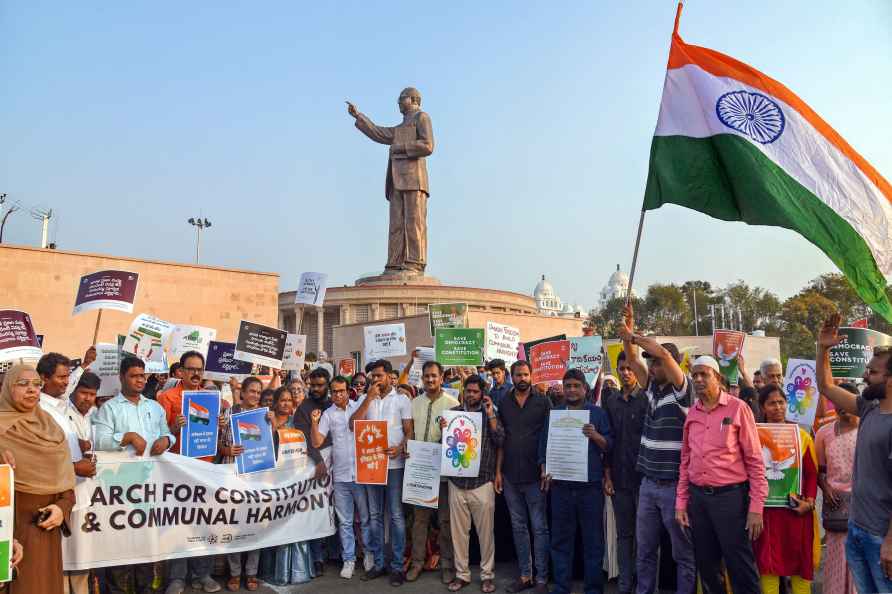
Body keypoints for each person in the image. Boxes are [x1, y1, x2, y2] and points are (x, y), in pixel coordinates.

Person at [618, 303, 695, 594]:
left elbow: (660, 352)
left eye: (658, 362)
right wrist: (629, 331)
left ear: (672, 363)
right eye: (651, 363)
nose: (652, 366)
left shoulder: (683, 390)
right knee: (645, 552)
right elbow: (632, 357)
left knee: (682, 555)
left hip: (675, 487)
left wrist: (633, 334)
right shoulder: (651, 387)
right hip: (648, 485)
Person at [675, 356, 766, 594]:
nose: (698, 379)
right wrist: (681, 503)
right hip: (699, 501)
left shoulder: (738, 409)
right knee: (707, 567)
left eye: (704, 374)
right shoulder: (692, 413)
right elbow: (686, 461)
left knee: (741, 567)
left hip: (731, 500)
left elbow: (755, 461)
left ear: (718, 377)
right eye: (694, 375)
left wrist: (756, 507)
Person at [815, 313, 892, 594]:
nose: (864, 375)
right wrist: (823, 349)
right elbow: (826, 387)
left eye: (872, 372)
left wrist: (890, 542)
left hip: (881, 538)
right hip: (857, 530)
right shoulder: (869, 407)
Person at [92, 356, 175, 594]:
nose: (140, 380)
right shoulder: (109, 408)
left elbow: (168, 434)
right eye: (134, 376)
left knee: (146, 541)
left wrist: (166, 440)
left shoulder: (154, 407)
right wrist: (125, 437)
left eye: (143, 375)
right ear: (122, 377)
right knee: (120, 542)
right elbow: (98, 440)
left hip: (151, 486)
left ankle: (147, 588)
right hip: (119, 487)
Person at [0, 364, 76, 594]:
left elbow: (67, 486)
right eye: (23, 384)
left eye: (36, 385)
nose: (32, 390)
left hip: (47, 532)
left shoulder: (52, 428)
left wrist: (62, 509)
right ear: (6, 389)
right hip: (12, 533)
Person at [539, 369, 613, 594]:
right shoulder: (555, 414)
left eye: (575, 386)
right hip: (560, 487)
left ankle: (593, 589)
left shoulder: (597, 414)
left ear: (585, 388)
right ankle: (561, 587)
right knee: (561, 542)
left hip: (590, 488)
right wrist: (544, 470)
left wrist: (596, 436)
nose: (571, 390)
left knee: (593, 542)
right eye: (567, 385)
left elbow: (610, 446)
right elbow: (544, 447)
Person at [156, 351, 222, 594]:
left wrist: (220, 425)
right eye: (191, 369)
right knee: (179, 524)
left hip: (204, 469)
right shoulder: (167, 398)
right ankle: (176, 578)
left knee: (202, 524)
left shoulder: (210, 398)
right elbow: (161, 435)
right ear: (180, 371)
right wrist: (174, 427)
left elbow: (213, 435)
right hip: (177, 470)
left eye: (199, 369)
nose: (195, 374)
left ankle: (202, 573)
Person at [348, 359, 414, 586]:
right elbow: (352, 425)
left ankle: (396, 566)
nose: (375, 380)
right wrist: (368, 398)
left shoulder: (403, 400)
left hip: (394, 467)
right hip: (371, 466)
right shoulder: (366, 400)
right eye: (372, 377)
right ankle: (378, 563)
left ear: (389, 376)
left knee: (395, 516)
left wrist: (400, 447)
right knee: (374, 516)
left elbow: (409, 432)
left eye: (379, 376)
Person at [438, 374, 503, 593]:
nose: (472, 395)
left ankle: (487, 575)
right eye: (469, 391)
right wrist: (443, 428)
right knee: (459, 535)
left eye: (476, 391)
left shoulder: (491, 414)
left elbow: (500, 440)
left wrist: (491, 415)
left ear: (483, 393)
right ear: (463, 391)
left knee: (486, 534)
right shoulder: (453, 414)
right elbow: (445, 445)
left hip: (482, 482)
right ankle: (462, 574)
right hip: (457, 482)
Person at [753, 384, 819, 594]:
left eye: (781, 402)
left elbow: (811, 473)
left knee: (801, 565)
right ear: (763, 407)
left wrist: (808, 502)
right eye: (772, 403)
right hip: (767, 512)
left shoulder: (802, 436)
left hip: (796, 510)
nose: (777, 407)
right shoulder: (753, 436)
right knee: (768, 564)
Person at [496, 360, 551, 594]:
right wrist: (498, 471)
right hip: (509, 475)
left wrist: (545, 466)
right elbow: (500, 439)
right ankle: (525, 575)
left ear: (531, 376)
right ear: (512, 376)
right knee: (518, 527)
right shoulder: (503, 402)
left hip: (534, 476)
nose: (522, 378)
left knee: (539, 528)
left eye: (526, 374)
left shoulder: (543, 401)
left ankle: (542, 579)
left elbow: (550, 436)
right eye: (518, 375)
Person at [310, 376, 372, 580]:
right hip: (341, 475)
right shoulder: (327, 414)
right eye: (334, 391)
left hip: (363, 473)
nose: (338, 394)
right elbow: (317, 441)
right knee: (345, 521)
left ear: (348, 391)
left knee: (365, 519)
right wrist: (313, 422)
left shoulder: (360, 407)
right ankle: (349, 560)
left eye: (341, 391)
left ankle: (369, 554)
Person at [405, 361, 457, 583]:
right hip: (420, 470)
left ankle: (447, 565)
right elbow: (410, 433)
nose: (430, 380)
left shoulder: (453, 403)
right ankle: (417, 563)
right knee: (420, 521)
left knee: (445, 521)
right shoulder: (414, 402)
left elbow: (458, 439)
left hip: (444, 470)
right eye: (427, 376)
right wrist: (407, 448)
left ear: (442, 377)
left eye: (434, 376)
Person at [215, 376, 266, 591]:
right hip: (230, 476)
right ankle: (235, 573)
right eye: (251, 391)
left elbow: (269, 446)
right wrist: (226, 449)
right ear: (242, 392)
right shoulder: (227, 414)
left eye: (258, 392)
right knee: (233, 524)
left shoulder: (264, 416)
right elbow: (214, 442)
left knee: (254, 525)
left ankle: (251, 573)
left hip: (254, 478)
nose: (255, 395)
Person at [602, 350, 647, 594]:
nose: (626, 373)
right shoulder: (611, 402)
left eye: (630, 368)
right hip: (619, 479)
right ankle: (624, 584)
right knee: (624, 535)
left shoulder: (648, 399)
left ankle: (644, 584)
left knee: (646, 538)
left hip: (645, 480)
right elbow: (608, 444)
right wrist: (607, 476)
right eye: (622, 369)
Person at [264, 386, 314, 585]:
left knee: (294, 523)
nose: (285, 403)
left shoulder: (298, 422)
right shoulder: (266, 420)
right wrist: (273, 426)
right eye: (281, 400)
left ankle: (297, 571)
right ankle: (273, 571)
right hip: (271, 480)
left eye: (288, 400)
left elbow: (305, 447)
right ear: (275, 402)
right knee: (274, 524)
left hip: (294, 480)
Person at [814, 382, 859, 594]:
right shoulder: (823, 433)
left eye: (846, 401)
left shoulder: (869, 430)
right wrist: (825, 488)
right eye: (837, 401)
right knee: (836, 558)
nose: (841, 406)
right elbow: (819, 471)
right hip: (836, 509)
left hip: (865, 509)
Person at [292, 367, 332, 574]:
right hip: (315, 463)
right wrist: (319, 461)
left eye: (320, 385)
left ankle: (336, 553)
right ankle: (317, 558)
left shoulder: (335, 403)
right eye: (312, 385)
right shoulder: (303, 408)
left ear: (328, 384)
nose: (316, 389)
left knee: (338, 510)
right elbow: (303, 438)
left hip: (340, 463)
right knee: (318, 510)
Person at [37, 353, 94, 481]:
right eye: (62, 377)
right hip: (57, 487)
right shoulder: (39, 410)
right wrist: (74, 467)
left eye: (68, 376)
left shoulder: (63, 402)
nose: (67, 382)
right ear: (44, 378)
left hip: (76, 486)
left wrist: (77, 445)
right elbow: (39, 455)